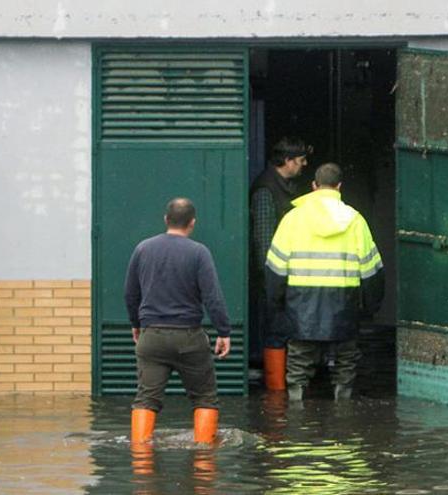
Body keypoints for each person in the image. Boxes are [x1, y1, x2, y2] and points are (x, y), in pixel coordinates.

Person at [265, 163, 384, 401]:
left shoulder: (292, 219)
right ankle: (344, 412)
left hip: (301, 306)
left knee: (298, 366)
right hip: (344, 306)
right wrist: (370, 307)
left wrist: (276, 303)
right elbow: (372, 271)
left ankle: (296, 415)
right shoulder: (355, 220)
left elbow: (275, 269)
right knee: (345, 365)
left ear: (313, 186)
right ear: (339, 186)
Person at [124, 198, 232, 445]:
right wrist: (223, 331)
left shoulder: (143, 249)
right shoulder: (198, 252)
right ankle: (204, 459)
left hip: (152, 337)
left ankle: (140, 457)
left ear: (165, 219)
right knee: (204, 397)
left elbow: (130, 293)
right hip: (190, 338)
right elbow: (212, 296)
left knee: (146, 398)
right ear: (192, 223)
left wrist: (136, 324)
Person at [249, 136, 310, 391]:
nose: (304, 165)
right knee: (275, 331)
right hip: (273, 276)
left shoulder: (284, 186)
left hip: (285, 275)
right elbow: (264, 242)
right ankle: (276, 392)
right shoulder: (266, 190)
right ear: (287, 161)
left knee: (281, 330)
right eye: (301, 160)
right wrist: (271, 279)